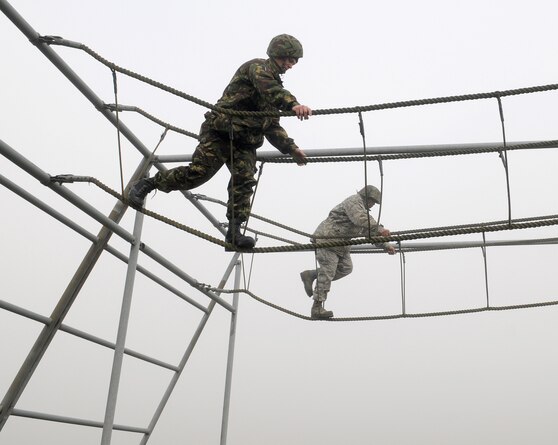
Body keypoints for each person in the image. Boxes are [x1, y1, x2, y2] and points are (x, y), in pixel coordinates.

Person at [127, 34, 312, 251]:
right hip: (220, 131)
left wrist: (291, 148)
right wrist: (293, 104)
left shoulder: (271, 92)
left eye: (294, 61)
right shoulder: (257, 69)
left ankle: (234, 233)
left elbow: (271, 125)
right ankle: (147, 184)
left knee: (243, 182)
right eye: (289, 60)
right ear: (277, 55)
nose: (290, 65)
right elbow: (269, 88)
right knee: (198, 173)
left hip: (244, 141)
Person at [300, 185, 397, 319]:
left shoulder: (363, 210)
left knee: (346, 268)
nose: (373, 205)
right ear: (366, 197)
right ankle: (316, 308)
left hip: (341, 245)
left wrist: (386, 245)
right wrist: (379, 229)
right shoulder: (354, 202)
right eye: (373, 201)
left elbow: (369, 232)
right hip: (328, 239)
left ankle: (311, 275)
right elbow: (360, 219)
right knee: (328, 271)